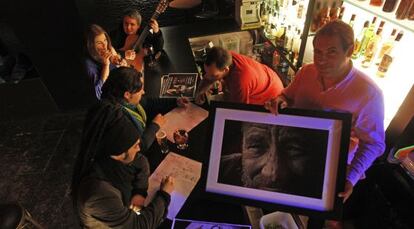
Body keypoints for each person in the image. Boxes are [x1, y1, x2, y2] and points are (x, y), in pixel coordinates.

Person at [265, 20, 385, 205]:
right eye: (318, 52)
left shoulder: (369, 93)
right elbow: (286, 96)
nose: (321, 60)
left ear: (350, 51)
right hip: (293, 148)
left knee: (312, 207)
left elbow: (373, 144)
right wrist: (279, 101)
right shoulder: (306, 71)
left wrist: (350, 177)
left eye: (331, 52)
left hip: (331, 162)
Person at [72, 100, 174, 228]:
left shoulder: (110, 156)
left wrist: (140, 192)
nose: (139, 149)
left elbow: (141, 161)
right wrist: (164, 195)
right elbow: (139, 226)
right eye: (136, 146)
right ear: (119, 153)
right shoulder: (98, 195)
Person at [219, 122, 327, 197]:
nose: (273, 173)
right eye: (256, 147)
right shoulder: (220, 170)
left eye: (294, 149)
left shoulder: (325, 185)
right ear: (241, 147)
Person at [101, 67, 189, 152]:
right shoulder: (117, 118)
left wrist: (175, 101)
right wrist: (155, 125)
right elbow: (140, 146)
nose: (143, 92)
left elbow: (149, 102)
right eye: (140, 90)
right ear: (127, 94)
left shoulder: (121, 98)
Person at [194, 46, 284, 105]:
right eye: (206, 72)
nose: (208, 77)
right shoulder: (225, 57)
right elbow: (209, 77)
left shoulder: (240, 81)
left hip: (271, 96)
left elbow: (239, 111)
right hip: (266, 79)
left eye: (213, 75)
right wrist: (199, 92)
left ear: (226, 69)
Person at [85, 24, 127, 99]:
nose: (105, 46)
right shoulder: (89, 65)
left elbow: (119, 65)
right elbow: (98, 94)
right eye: (99, 43)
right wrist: (106, 66)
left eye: (105, 40)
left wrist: (121, 64)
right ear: (91, 46)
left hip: (121, 88)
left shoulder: (110, 48)